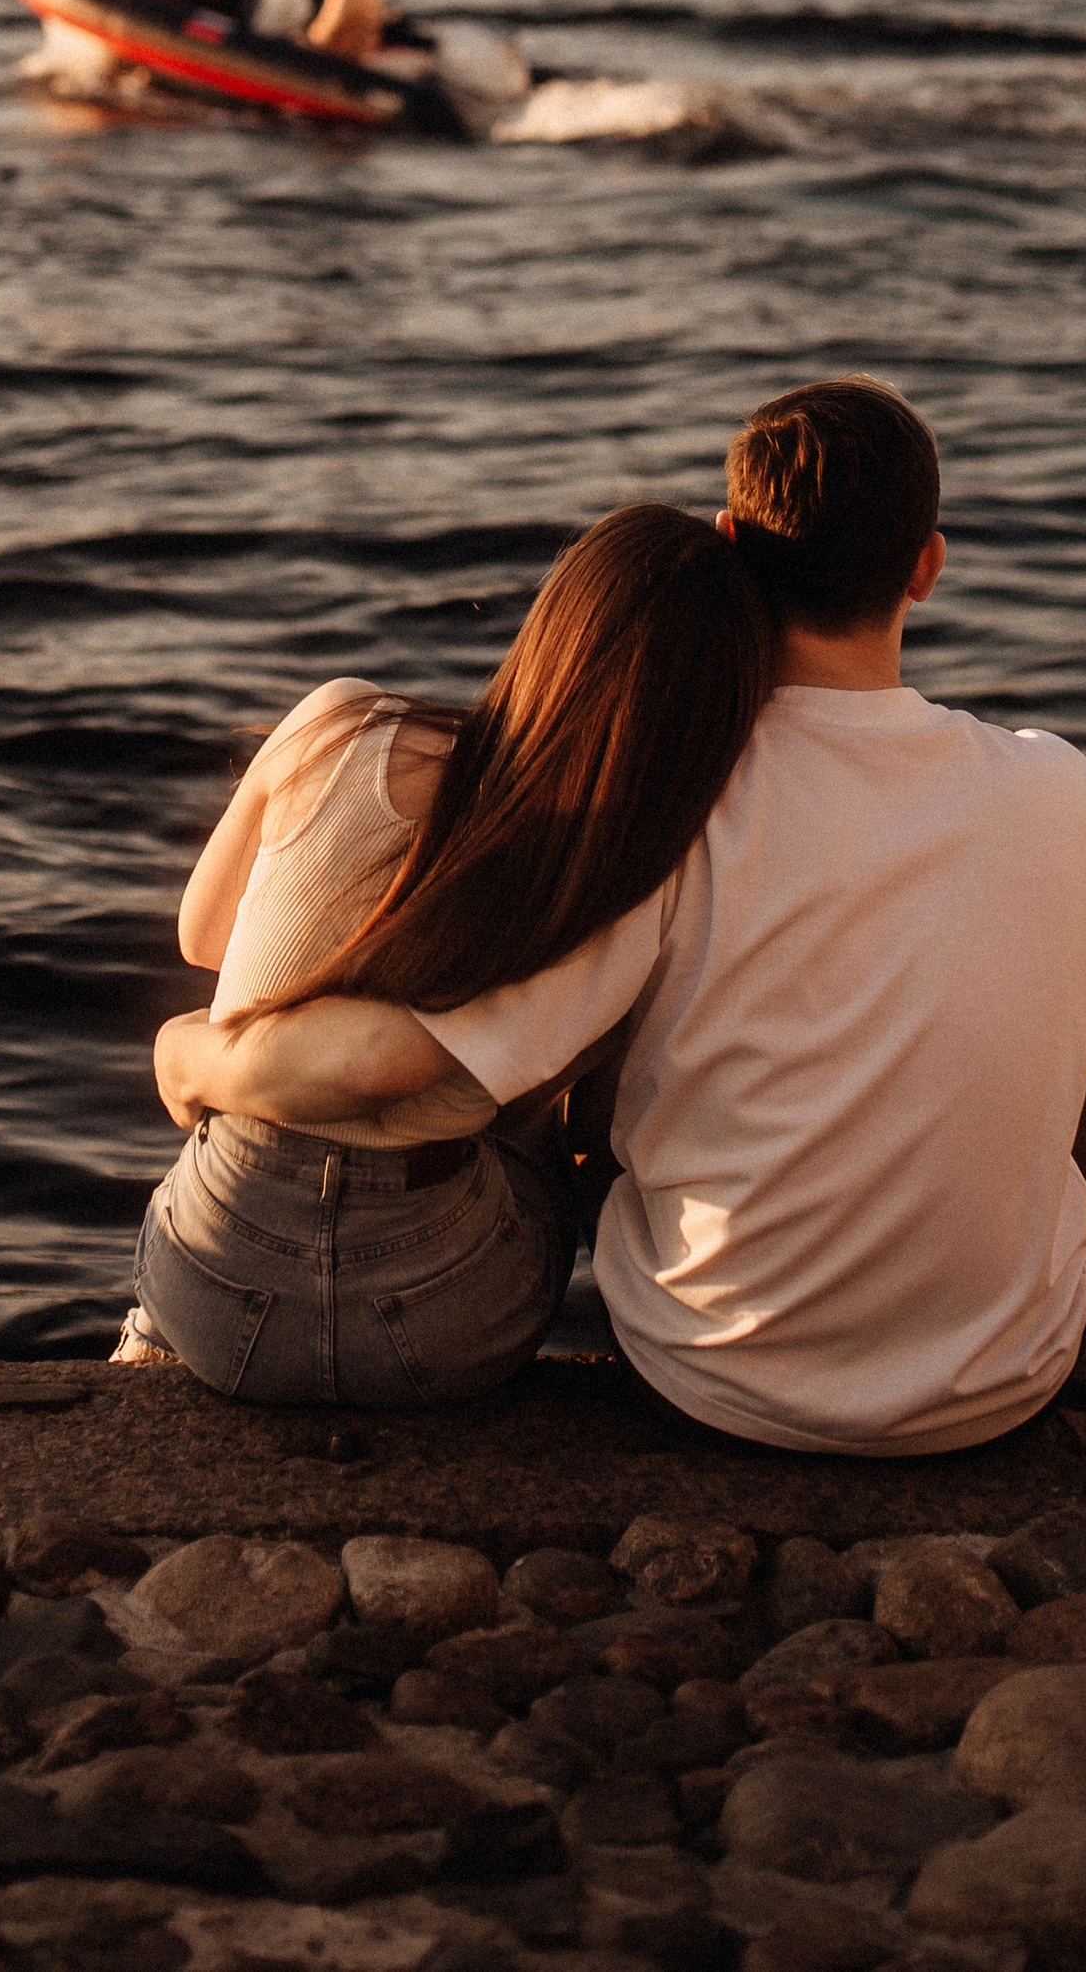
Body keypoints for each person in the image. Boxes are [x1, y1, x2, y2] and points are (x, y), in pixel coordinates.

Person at [155, 377, 1086, 1452]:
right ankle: (1013, 1323)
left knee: (580, 1047)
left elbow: (444, 1055)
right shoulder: (1068, 787)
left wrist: (198, 1056)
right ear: (926, 563)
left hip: (711, 1375)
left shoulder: (663, 800)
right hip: (1001, 1393)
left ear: (733, 539)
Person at [123, 505, 775, 1410]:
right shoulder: (622, 877)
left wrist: (212, 1038)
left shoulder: (339, 723)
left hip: (207, 1283)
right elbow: (593, 1126)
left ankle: (147, 1337)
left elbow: (203, 937)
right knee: (555, 1125)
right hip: (438, 1328)